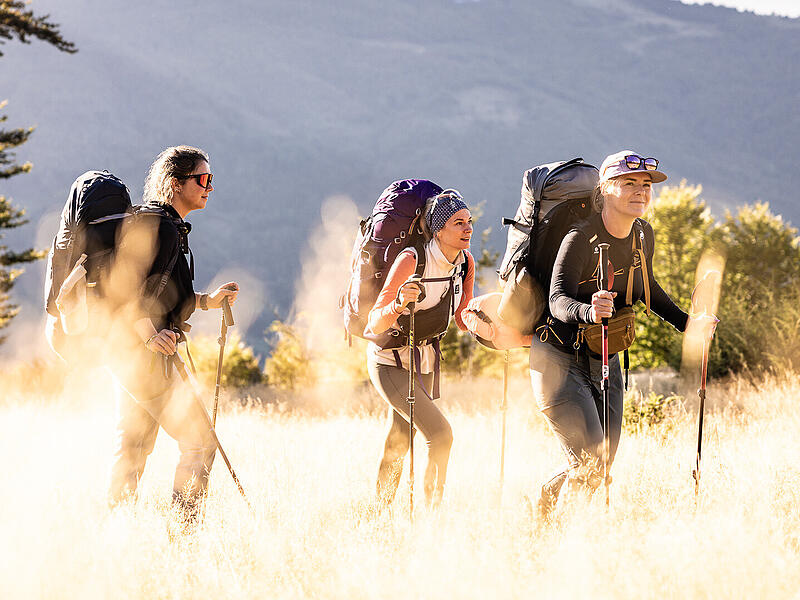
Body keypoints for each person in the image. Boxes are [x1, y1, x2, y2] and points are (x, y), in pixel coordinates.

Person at [530, 150, 714, 517]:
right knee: (590, 460)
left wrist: (687, 324)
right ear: (605, 189)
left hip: (605, 358)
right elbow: (557, 300)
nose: (641, 191)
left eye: (646, 185)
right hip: (557, 361)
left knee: (602, 463)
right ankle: (568, 538)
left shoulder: (642, 235)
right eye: (629, 183)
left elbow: (646, 287)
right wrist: (588, 311)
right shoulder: (579, 237)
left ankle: (543, 508)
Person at [107, 145, 239, 518]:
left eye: (211, 179)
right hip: (145, 357)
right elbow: (125, 289)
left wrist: (208, 301)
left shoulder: (164, 225)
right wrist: (150, 334)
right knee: (200, 442)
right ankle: (183, 533)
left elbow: (161, 295)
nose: (209, 187)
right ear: (175, 183)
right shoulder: (163, 227)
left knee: (133, 448)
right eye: (202, 179)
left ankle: (114, 530)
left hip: (125, 354)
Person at [365, 189, 475, 509]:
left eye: (469, 221)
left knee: (399, 439)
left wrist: (497, 322)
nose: (468, 228)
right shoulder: (412, 260)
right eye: (458, 223)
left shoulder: (464, 263)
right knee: (441, 435)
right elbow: (374, 323)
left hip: (424, 360)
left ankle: (380, 516)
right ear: (438, 229)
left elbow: (463, 318)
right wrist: (400, 303)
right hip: (389, 360)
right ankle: (432, 516)